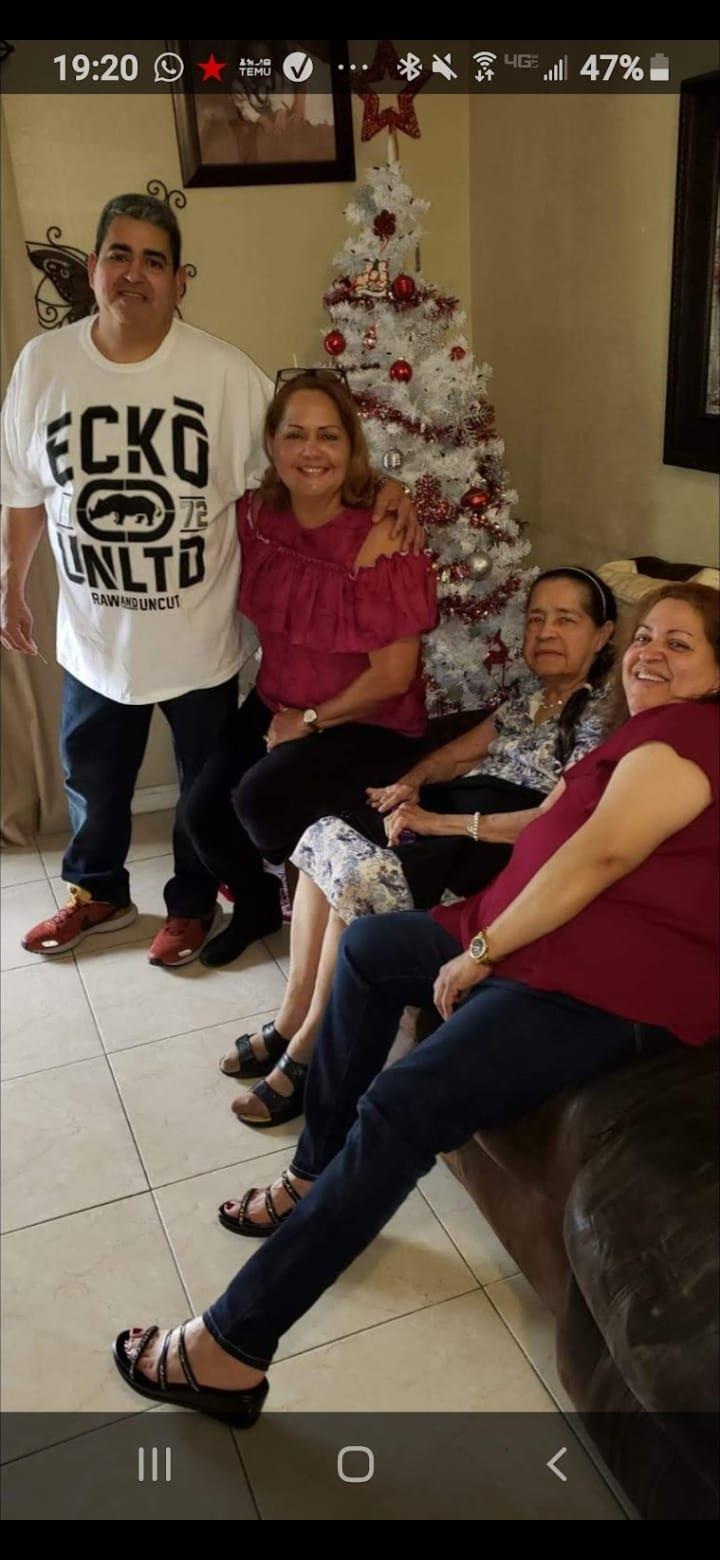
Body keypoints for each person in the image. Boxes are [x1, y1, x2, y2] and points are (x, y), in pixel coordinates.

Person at [113, 582, 719, 1417]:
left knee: (403, 1105)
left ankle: (230, 1347)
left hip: (599, 980)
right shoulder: (638, 732)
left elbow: (597, 862)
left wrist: (483, 949)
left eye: (680, 643)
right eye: (647, 635)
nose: (651, 651)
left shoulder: (685, 740)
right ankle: (314, 1169)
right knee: (370, 950)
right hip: (533, 931)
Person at [0, 193, 420, 967]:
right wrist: (10, 584)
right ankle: (97, 891)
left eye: (154, 260)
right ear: (92, 270)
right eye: (119, 256)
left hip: (196, 635)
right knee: (91, 775)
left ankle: (190, 905)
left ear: (179, 280)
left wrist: (384, 488)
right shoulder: (42, 365)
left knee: (200, 794)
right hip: (92, 635)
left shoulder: (223, 374)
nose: (135, 274)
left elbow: (305, 451)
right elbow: (24, 489)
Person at [224, 566, 616, 1128]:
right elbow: (456, 755)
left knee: (359, 875)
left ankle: (309, 1053)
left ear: (602, 636)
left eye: (566, 620)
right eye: (536, 618)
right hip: (460, 817)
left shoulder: (602, 718)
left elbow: (550, 825)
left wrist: (437, 823)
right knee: (324, 836)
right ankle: (290, 1020)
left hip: (501, 846)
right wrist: (412, 783)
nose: (546, 632)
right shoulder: (530, 699)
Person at [182, 369, 437, 986]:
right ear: (271, 444)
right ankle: (257, 905)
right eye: (295, 434)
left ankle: (324, 886)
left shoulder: (383, 534)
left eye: (328, 436)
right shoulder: (258, 514)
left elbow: (395, 674)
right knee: (201, 814)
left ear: (351, 449)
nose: (311, 451)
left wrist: (311, 722)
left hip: (367, 721)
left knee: (259, 800)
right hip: (279, 700)